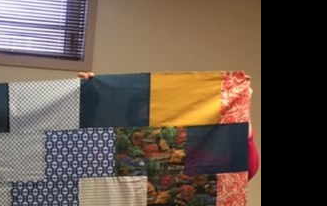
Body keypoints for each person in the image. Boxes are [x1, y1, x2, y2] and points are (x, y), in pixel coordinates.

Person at [77, 72, 259, 179]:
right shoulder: (117, 154)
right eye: (141, 123)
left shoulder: (189, 156)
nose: (149, 129)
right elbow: (79, 160)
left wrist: (240, 113)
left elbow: (243, 170)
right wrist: (86, 97)